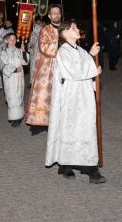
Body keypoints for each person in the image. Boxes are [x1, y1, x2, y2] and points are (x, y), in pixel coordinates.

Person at [45, 21, 105, 184]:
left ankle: (89, 165)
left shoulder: (80, 50)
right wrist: (91, 62)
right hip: (71, 97)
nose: (77, 29)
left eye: (77, 27)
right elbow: (74, 71)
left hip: (84, 96)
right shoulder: (63, 52)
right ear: (64, 33)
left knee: (86, 128)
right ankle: (67, 164)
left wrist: (93, 64)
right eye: (73, 28)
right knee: (71, 129)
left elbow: (88, 69)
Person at [25, 4, 61, 134]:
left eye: (58, 12)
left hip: (63, 68)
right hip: (47, 67)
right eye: (54, 13)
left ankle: (58, 122)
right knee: (42, 94)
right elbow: (44, 47)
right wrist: (60, 44)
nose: (56, 15)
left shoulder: (65, 28)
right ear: (50, 15)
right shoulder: (45, 30)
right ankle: (39, 123)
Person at [0, 33, 29, 127]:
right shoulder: (3, 52)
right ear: (6, 41)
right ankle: (14, 117)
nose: (13, 41)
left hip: (19, 78)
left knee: (19, 96)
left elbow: (25, 62)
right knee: (12, 97)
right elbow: (4, 64)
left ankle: (18, 117)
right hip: (10, 78)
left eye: (14, 39)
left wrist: (24, 52)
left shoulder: (19, 50)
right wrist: (15, 69)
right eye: (10, 39)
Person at [28, 15, 44, 82]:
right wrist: (30, 46)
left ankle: (37, 81)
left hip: (41, 52)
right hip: (34, 51)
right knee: (33, 66)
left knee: (39, 67)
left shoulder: (44, 31)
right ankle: (32, 81)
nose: (38, 25)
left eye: (39, 23)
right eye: (37, 23)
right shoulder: (33, 32)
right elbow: (30, 41)